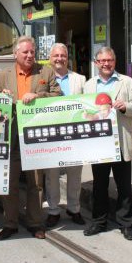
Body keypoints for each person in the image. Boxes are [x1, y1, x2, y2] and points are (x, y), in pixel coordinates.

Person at [0, 36, 62, 240]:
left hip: (35, 137)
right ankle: (10, 223)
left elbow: (58, 96)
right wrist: (2, 96)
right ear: (15, 54)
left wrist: (38, 97)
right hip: (12, 136)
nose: (29, 55)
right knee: (10, 183)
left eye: (32, 52)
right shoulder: (3, 75)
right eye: (25, 52)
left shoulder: (46, 71)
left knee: (36, 183)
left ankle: (35, 223)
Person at [82, 47, 132, 241]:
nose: (106, 64)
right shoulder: (89, 86)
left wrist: (125, 106)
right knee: (99, 185)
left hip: (121, 141)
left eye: (110, 60)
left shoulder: (128, 82)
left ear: (115, 62)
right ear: (96, 63)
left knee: (123, 185)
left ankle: (126, 224)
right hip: (99, 143)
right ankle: (99, 222)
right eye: (102, 61)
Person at [45, 43, 87, 228]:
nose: (59, 59)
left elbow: (87, 103)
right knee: (51, 175)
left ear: (67, 57)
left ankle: (74, 208)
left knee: (75, 174)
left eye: (63, 55)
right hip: (50, 134)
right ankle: (53, 210)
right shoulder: (42, 77)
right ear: (50, 58)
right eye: (56, 56)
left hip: (74, 135)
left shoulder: (80, 79)